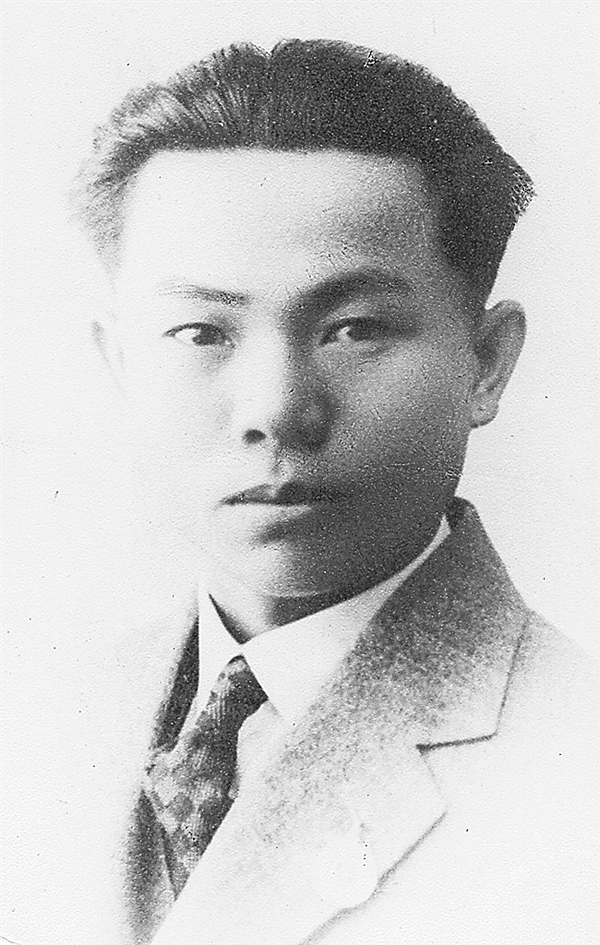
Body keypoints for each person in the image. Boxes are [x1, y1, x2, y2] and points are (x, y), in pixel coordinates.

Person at [73, 39, 598, 945]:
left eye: (354, 329)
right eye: (201, 332)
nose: (276, 410)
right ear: (120, 364)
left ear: (487, 363)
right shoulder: (36, 715)